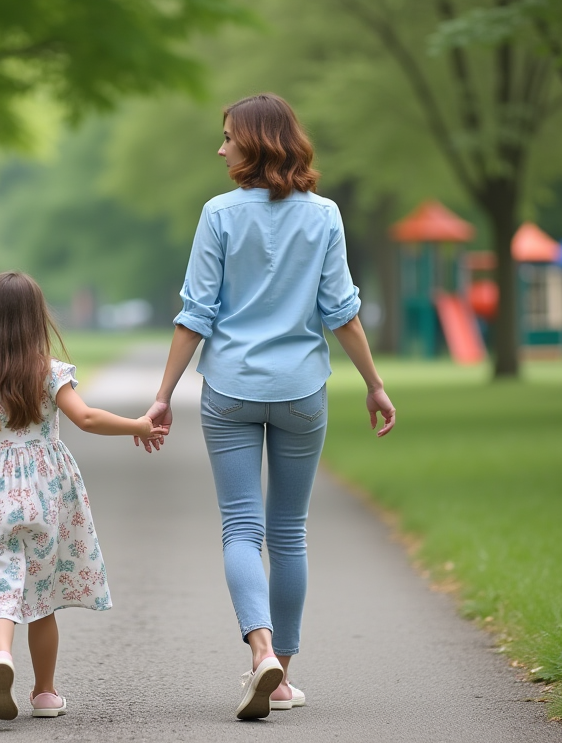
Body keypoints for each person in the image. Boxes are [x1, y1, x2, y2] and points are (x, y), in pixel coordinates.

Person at [142, 93, 397, 720]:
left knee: (240, 528)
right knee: (288, 532)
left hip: (230, 389)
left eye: (229, 137)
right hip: (301, 391)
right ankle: (282, 677)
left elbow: (195, 315)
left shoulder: (219, 214)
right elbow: (342, 314)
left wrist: (163, 394)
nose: (221, 148)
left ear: (254, 144)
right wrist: (374, 383)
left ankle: (260, 653)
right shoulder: (325, 215)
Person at [0, 272, 166, 720]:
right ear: (35, 319)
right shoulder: (50, 372)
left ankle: (2, 656)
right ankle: (44, 693)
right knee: (41, 595)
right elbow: (86, 418)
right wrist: (138, 425)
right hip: (46, 489)